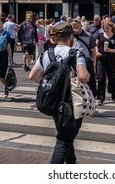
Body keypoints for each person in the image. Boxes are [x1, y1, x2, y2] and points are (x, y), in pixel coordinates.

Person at [29, 22, 90, 164]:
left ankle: (71, 162)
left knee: (64, 133)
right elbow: (83, 76)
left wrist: (53, 85)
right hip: (70, 103)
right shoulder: (75, 54)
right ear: (70, 36)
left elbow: (33, 76)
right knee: (64, 139)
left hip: (53, 102)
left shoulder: (47, 53)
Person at [71, 19, 98, 98]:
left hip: (86, 63)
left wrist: (93, 63)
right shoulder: (70, 35)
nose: (74, 28)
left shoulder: (88, 35)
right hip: (73, 63)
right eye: (72, 27)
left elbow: (93, 51)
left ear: (80, 26)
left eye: (76, 26)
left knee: (88, 81)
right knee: (75, 82)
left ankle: (90, 97)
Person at [96, 21, 115, 105]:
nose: (105, 29)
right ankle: (101, 97)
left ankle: (112, 91)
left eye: (107, 28)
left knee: (111, 78)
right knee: (101, 78)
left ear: (111, 28)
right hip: (101, 59)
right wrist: (97, 52)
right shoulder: (100, 36)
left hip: (111, 59)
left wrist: (111, 50)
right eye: (104, 28)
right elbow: (96, 45)